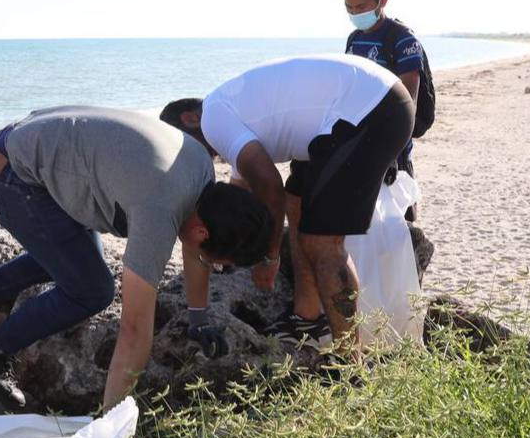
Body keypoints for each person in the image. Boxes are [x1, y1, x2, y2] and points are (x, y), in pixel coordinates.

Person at [0, 106, 272, 412]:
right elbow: (134, 331)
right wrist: (115, 427)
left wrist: (199, 320)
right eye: (215, 261)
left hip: (26, 142)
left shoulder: (202, 172)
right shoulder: (159, 213)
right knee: (91, 289)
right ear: (202, 233)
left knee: (72, 257)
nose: (209, 265)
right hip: (9, 175)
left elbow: (194, 250)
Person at [161, 55, 415, 352]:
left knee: (322, 242)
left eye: (184, 147)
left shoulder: (213, 120)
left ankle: (350, 360)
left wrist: (269, 258)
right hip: (357, 107)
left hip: (369, 110)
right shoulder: (232, 117)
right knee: (297, 204)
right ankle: (307, 317)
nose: (192, 159)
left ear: (190, 119)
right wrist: (220, 248)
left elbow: (270, 187)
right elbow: (238, 196)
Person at [336, 0, 424, 219]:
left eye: (361, 7)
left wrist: (390, 153)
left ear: (382, 0)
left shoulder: (403, 40)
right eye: (349, 8)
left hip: (393, 149)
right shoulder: (354, 40)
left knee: (401, 224)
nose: (355, 13)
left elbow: (408, 104)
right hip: (360, 144)